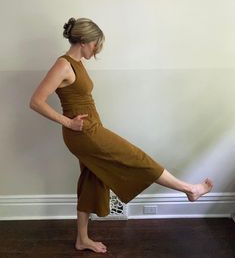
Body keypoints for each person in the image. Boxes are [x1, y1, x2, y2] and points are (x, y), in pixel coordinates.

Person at [29, 17, 213, 254]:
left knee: (91, 180)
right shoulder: (63, 65)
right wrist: (67, 122)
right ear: (84, 41)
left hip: (91, 130)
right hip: (84, 133)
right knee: (136, 158)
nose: (96, 49)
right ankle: (190, 189)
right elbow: (36, 101)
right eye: (95, 44)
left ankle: (82, 239)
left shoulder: (77, 63)